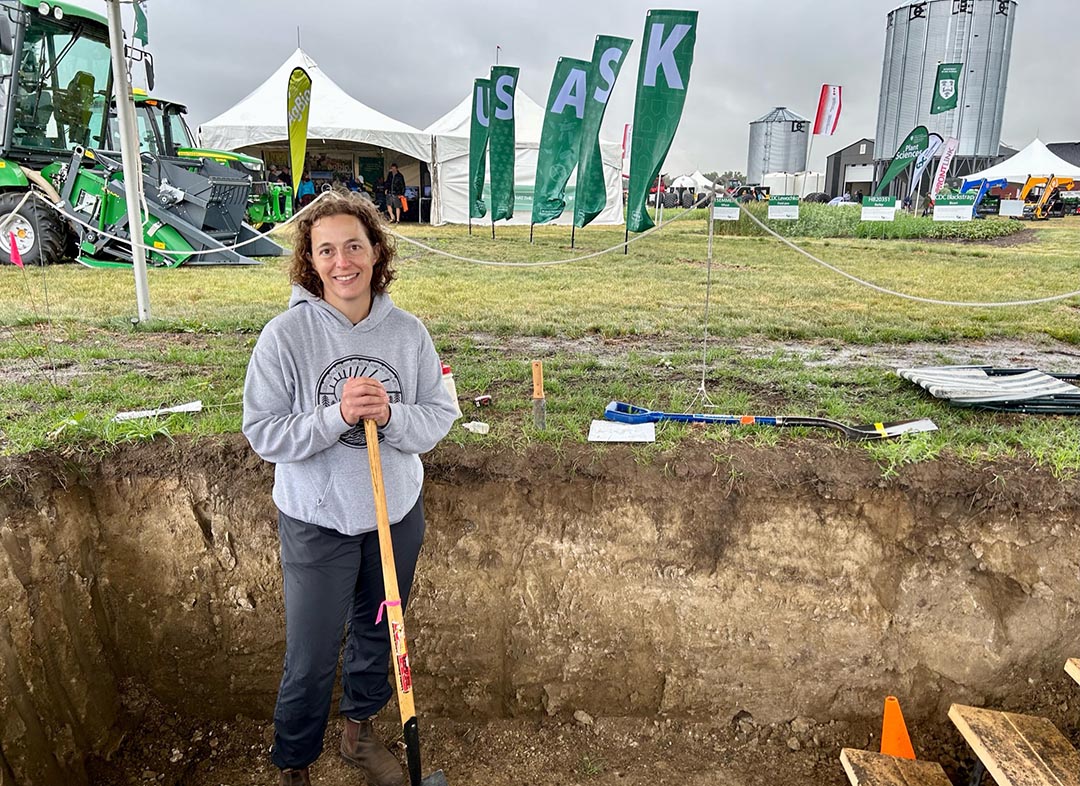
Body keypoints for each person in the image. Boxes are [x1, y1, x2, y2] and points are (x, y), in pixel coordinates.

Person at [241, 191, 458, 786]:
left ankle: (359, 734)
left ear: (376, 252)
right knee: (310, 656)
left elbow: (439, 415)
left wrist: (391, 417)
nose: (343, 262)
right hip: (317, 518)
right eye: (327, 250)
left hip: (394, 517)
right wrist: (335, 417)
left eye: (354, 246)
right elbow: (263, 433)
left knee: (379, 633)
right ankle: (295, 763)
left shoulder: (409, 334)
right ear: (310, 262)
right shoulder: (284, 338)